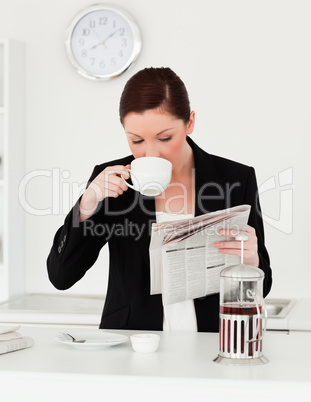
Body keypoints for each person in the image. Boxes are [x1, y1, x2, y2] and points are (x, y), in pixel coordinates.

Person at [47, 67, 272, 332]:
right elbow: (61, 277)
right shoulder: (112, 181)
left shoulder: (235, 178)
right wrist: (87, 203)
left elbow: (263, 285)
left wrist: (252, 260)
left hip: (213, 342)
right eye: (137, 140)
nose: (150, 152)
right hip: (134, 343)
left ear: (190, 122)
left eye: (165, 138)